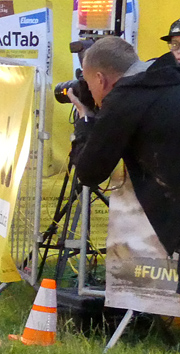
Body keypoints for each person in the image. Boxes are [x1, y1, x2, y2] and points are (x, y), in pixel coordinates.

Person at [72, 36, 180, 266]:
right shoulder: (169, 76)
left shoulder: (126, 98)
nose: (90, 92)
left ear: (100, 79)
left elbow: (89, 172)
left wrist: (85, 122)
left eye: (89, 85)